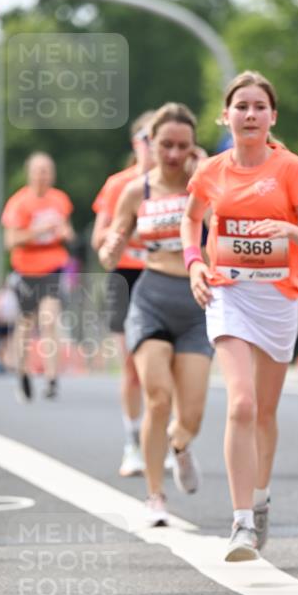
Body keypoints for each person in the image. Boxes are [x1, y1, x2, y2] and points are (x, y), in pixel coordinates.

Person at [181, 70, 298, 561]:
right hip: (228, 295)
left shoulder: (290, 168)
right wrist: (195, 262)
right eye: (240, 106)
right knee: (240, 404)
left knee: (264, 411)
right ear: (226, 115)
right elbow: (191, 218)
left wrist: (284, 229)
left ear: (272, 117)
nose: (249, 114)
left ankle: (260, 498)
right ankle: (241, 522)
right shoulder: (212, 171)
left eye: (259, 106)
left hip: (277, 298)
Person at [99, 103, 212, 528]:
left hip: (197, 303)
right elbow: (115, 237)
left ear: (192, 146)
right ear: (150, 144)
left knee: (192, 414)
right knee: (158, 397)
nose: (173, 153)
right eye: (165, 144)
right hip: (150, 299)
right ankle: (155, 496)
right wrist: (110, 248)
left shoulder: (205, 186)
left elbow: (223, 224)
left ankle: (180, 447)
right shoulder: (136, 190)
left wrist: (205, 172)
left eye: (182, 146)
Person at [92, 112, 155, 477]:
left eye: (157, 137)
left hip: (165, 274)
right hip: (126, 276)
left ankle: (161, 440)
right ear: (136, 143)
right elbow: (98, 238)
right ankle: (133, 442)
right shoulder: (119, 185)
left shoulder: (179, 183)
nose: (152, 145)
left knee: (166, 366)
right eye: (146, 137)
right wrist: (125, 232)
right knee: (132, 366)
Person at [1, 152, 75, 401]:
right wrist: (39, 231)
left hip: (53, 268)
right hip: (26, 271)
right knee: (26, 323)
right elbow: (10, 240)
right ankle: (21, 372)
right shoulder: (19, 203)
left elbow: (68, 232)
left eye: (47, 170)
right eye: (39, 170)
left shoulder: (60, 200)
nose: (44, 175)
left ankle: (52, 378)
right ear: (30, 173)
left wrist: (65, 233)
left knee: (49, 320)